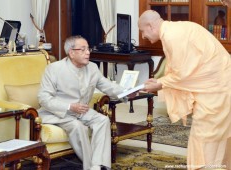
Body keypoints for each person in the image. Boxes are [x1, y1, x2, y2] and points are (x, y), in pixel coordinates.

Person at [138, 10, 231, 169]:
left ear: (151, 26)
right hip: (216, 82)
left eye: (142, 31)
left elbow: (183, 73)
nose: (143, 36)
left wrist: (160, 83)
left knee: (204, 133)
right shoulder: (174, 30)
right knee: (218, 133)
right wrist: (160, 80)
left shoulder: (172, 36)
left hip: (216, 86)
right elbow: (182, 69)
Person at [38, 35, 130, 170]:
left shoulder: (92, 68)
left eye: (88, 49)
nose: (88, 52)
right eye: (83, 49)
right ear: (71, 53)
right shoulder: (54, 69)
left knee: (102, 120)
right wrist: (69, 106)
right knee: (77, 126)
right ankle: (90, 166)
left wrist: (127, 92)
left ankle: (98, 164)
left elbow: (108, 86)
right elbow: (44, 98)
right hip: (58, 112)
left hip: (82, 111)